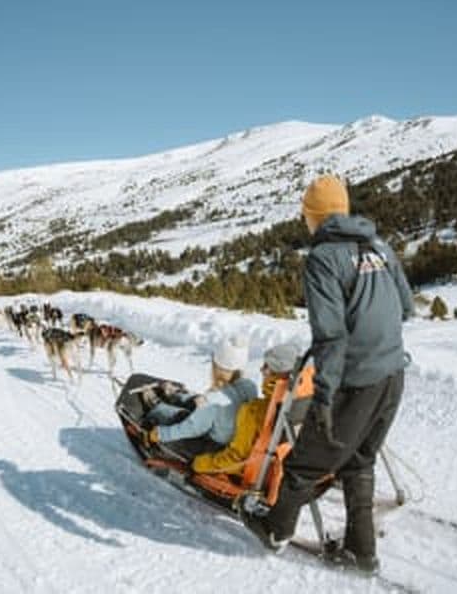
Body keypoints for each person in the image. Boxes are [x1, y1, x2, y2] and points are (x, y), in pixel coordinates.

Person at [243, 175, 414, 573]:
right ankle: (361, 550)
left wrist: (323, 395)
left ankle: (275, 529)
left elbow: (331, 336)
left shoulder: (323, 258)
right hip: (392, 376)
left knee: (306, 462)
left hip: (356, 381)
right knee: (358, 460)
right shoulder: (378, 245)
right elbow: (406, 307)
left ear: (313, 216)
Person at [191, 342, 301, 475]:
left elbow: (235, 459)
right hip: (273, 469)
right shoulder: (298, 405)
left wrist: (198, 464)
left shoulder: (254, 411)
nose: (261, 370)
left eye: (267, 367)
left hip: (240, 470)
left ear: (276, 376)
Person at [144, 334, 258, 460]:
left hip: (213, 447)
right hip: (235, 439)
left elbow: (192, 428)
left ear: (217, 366)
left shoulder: (215, 397)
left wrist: (161, 434)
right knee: (202, 403)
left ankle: (157, 407)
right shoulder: (250, 386)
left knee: (181, 416)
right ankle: (177, 396)